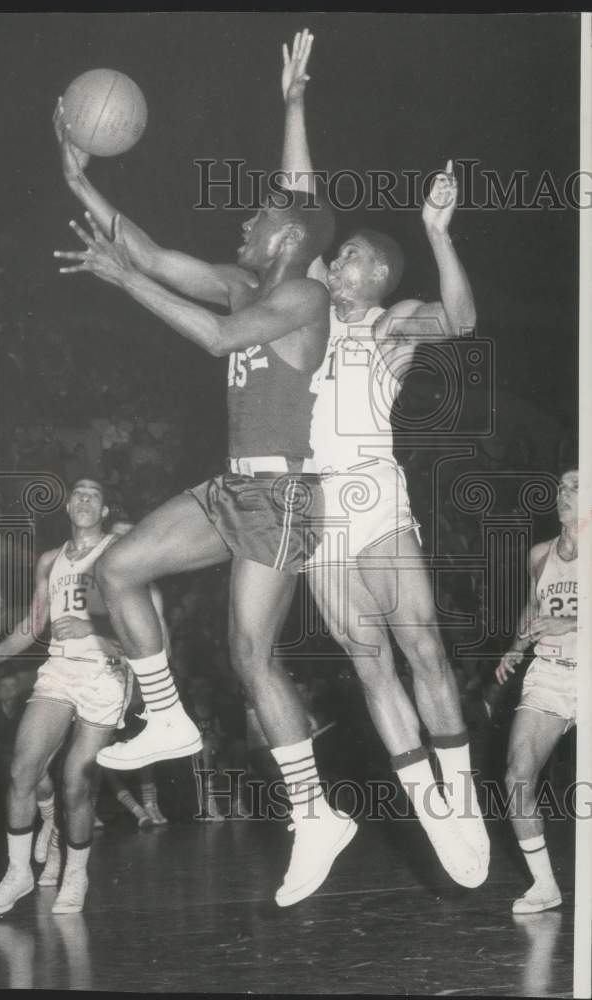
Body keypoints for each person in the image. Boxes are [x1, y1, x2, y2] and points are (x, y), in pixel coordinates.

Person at [53, 95, 357, 907]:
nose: (244, 229)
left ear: (289, 240)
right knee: (117, 570)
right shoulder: (239, 283)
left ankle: (315, 814)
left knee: (251, 656)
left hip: (283, 493)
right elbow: (150, 254)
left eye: (257, 220)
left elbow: (220, 339)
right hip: (233, 487)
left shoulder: (305, 301)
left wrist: (123, 285)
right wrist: (83, 185)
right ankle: (167, 718)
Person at [277, 30, 488, 886]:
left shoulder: (391, 322)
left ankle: (462, 792)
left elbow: (465, 325)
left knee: (422, 643)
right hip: (315, 502)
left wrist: (437, 233)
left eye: (352, 255)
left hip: (374, 488)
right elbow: (297, 206)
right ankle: (430, 809)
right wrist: (292, 104)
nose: (336, 260)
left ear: (374, 276)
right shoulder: (305, 310)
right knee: (366, 659)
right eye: (338, 254)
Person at [0, 479, 146, 915]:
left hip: (107, 672)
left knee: (74, 784)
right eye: (78, 493)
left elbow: (145, 631)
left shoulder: (118, 553)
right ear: (67, 506)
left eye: (95, 494)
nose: (85, 498)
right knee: (23, 768)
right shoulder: (50, 561)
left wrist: (95, 631)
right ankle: (18, 872)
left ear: (105, 510)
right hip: (59, 670)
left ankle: (76, 873)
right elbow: (33, 624)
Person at [495, 467, 578, 914]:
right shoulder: (541, 554)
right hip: (549, 672)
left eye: (576, 487)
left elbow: (563, 616)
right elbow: (535, 607)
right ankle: (545, 886)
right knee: (517, 777)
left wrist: (571, 623)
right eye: (561, 487)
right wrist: (516, 646)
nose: (563, 494)